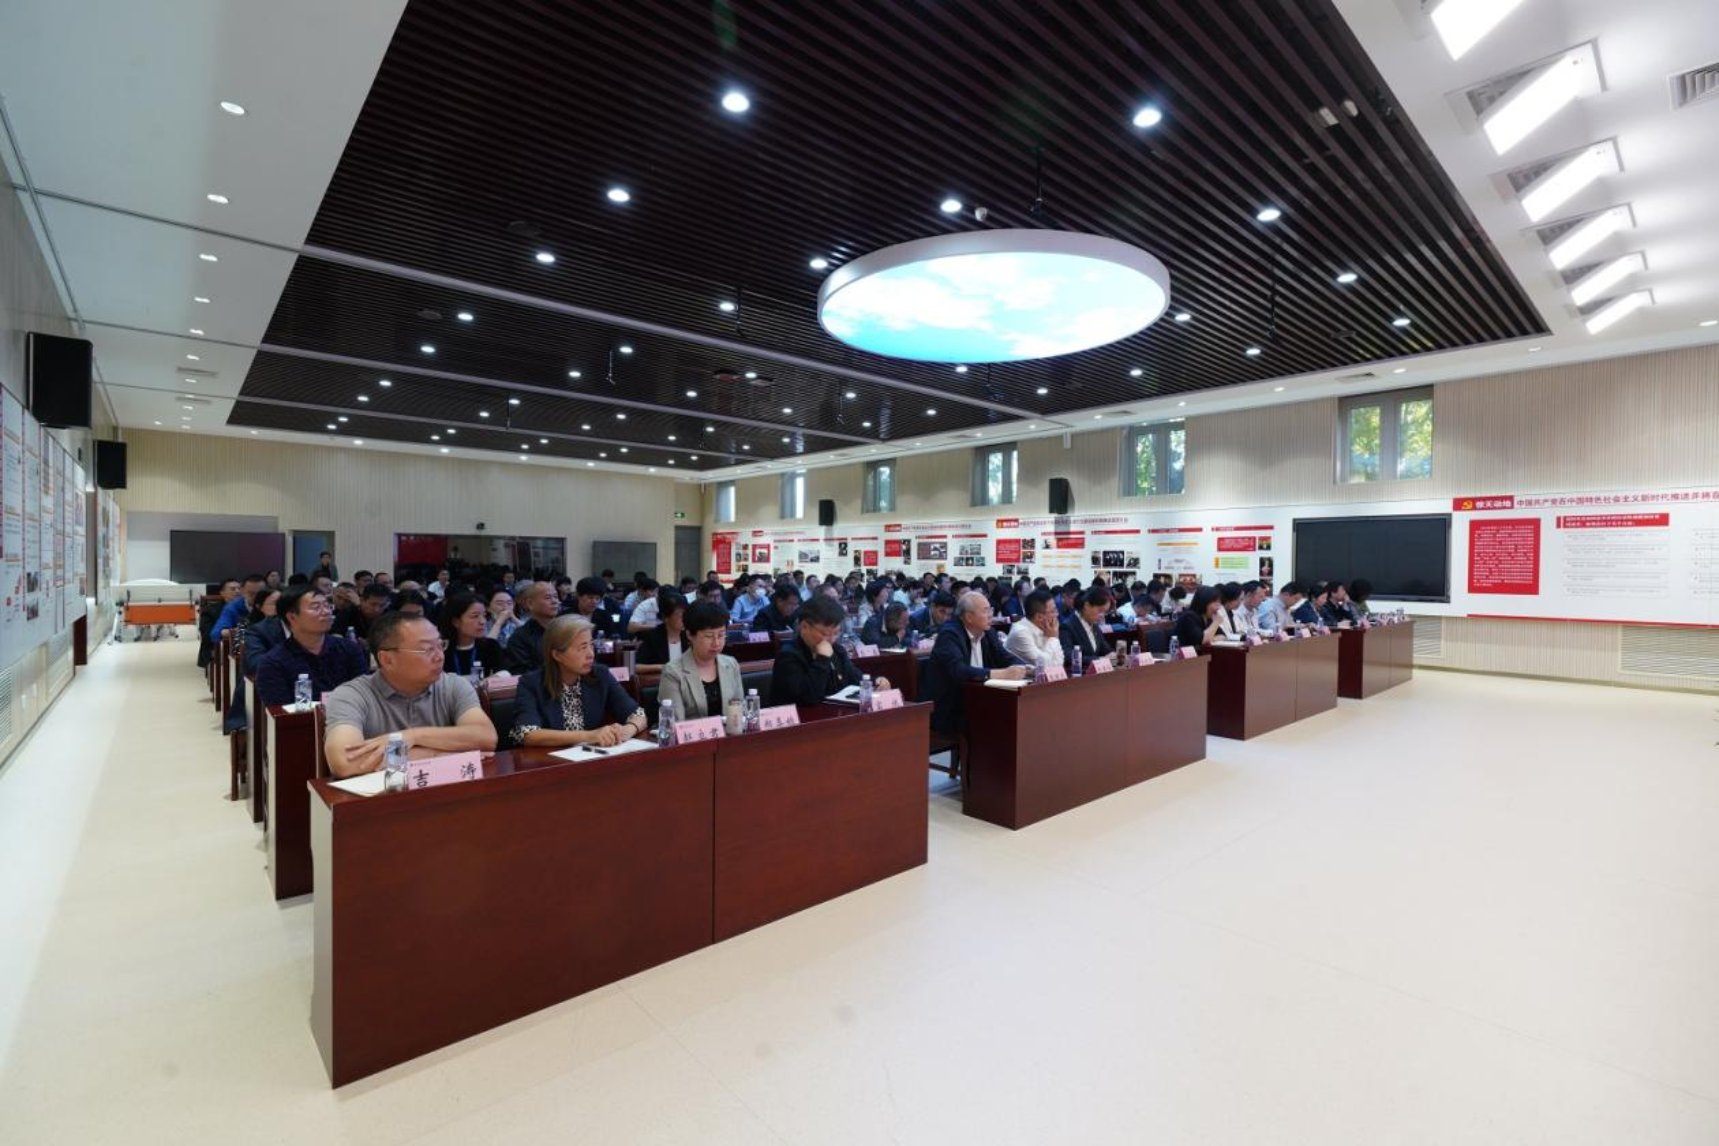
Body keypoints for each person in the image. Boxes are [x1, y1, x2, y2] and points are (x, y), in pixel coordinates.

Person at [322, 613, 495, 778]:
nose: (439, 656)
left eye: (440, 645)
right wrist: (438, 754)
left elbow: (486, 738)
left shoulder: (453, 685)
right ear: (387, 659)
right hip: (383, 796)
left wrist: (413, 736)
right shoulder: (351, 695)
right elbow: (346, 762)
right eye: (427, 649)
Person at [511, 615, 648, 747]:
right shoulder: (531, 683)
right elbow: (527, 733)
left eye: (591, 645)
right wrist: (590, 736)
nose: (590, 654)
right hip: (548, 759)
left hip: (591, 756)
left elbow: (638, 715)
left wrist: (626, 731)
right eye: (582, 648)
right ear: (557, 655)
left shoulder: (600, 675)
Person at [920, 591, 1031, 735]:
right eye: (985, 611)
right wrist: (1001, 674)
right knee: (1002, 719)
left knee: (1017, 713)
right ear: (969, 617)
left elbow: (1004, 657)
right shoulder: (949, 635)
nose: (990, 615)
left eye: (990, 610)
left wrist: (1026, 668)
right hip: (950, 707)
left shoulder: (988, 632)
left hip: (977, 700)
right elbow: (959, 670)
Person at [254, 585, 371, 706]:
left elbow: (363, 696)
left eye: (327, 606)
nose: (326, 612)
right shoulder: (273, 662)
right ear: (292, 617)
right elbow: (280, 711)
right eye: (316, 607)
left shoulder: (349, 649)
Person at [770, 593, 889, 706]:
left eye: (836, 633)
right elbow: (808, 697)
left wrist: (875, 681)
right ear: (804, 627)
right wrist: (822, 659)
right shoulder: (788, 656)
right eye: (825, 634)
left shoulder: (837, 650)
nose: (831, 639)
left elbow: (855, 677)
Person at [657, 600, 745, 719]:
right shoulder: (673, 672)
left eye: (721, 635)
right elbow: (675, 721)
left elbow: (739, 711)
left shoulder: (731, 664)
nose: (716, 643)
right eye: (709, 636)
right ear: (689, 635)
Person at [440, 591, 505, 681]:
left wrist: (487, 681)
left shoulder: (490, 646)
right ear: (456, 621)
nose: (483, 621)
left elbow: (505, 672)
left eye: (484, 615)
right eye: (475, 616)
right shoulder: (441, 650)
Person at [504, 580, 563, 673]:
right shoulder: (520, 638)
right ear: (530, 603)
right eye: (548, 598)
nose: (554, 601)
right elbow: (523, 673)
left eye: (556, 597)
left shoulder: (567, 629)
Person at [1004, 589, 1064, 673]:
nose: (1057, 614)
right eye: (1053, 611)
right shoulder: (1020, 633)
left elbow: (1060, 663)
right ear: (1039, 617)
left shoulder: (1046, 628)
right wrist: (1053, 638)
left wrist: (1052, 637)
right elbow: (1044, 666)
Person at [1059, 588, 1113, 672]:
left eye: (1105, 612)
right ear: (1086, 606)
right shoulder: (1067, 627)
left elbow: (1106, 650)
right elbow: (1068, 657)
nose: (1102, 615)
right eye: (1100, 610)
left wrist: (1114, 655)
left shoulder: (1094, 626)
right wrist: (1099, 659)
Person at [637, 589, 691, 665]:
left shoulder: (690, 635)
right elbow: (638, 666)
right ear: (665, 617)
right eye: (680, 616)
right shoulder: (653, 636)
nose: (685, 619)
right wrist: (665, 667)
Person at [241, 587, 285, 677]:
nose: (280, 607)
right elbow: (255, 663)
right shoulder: (250, 626)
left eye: (282, 603)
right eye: (274, 603)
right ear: (259, 607)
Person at [210, 573, 264, 643]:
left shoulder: (273, 604)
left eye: (260, 594)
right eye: (251, 594)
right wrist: (239, 631)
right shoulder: (232, 607)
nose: (256, 597)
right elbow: (215, 634)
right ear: (242, 591)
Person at [1174, 585, 1225, 650]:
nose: (1218, 607)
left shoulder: (1208, 618)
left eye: (1219, 602)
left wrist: (1211, 638)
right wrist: (1216, 622)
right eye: (1215, 602)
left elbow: (1223, 636)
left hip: (1202, 653)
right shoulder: (1189, 617)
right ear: (1204, 602)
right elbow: (1202, 640)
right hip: (1186, 655)